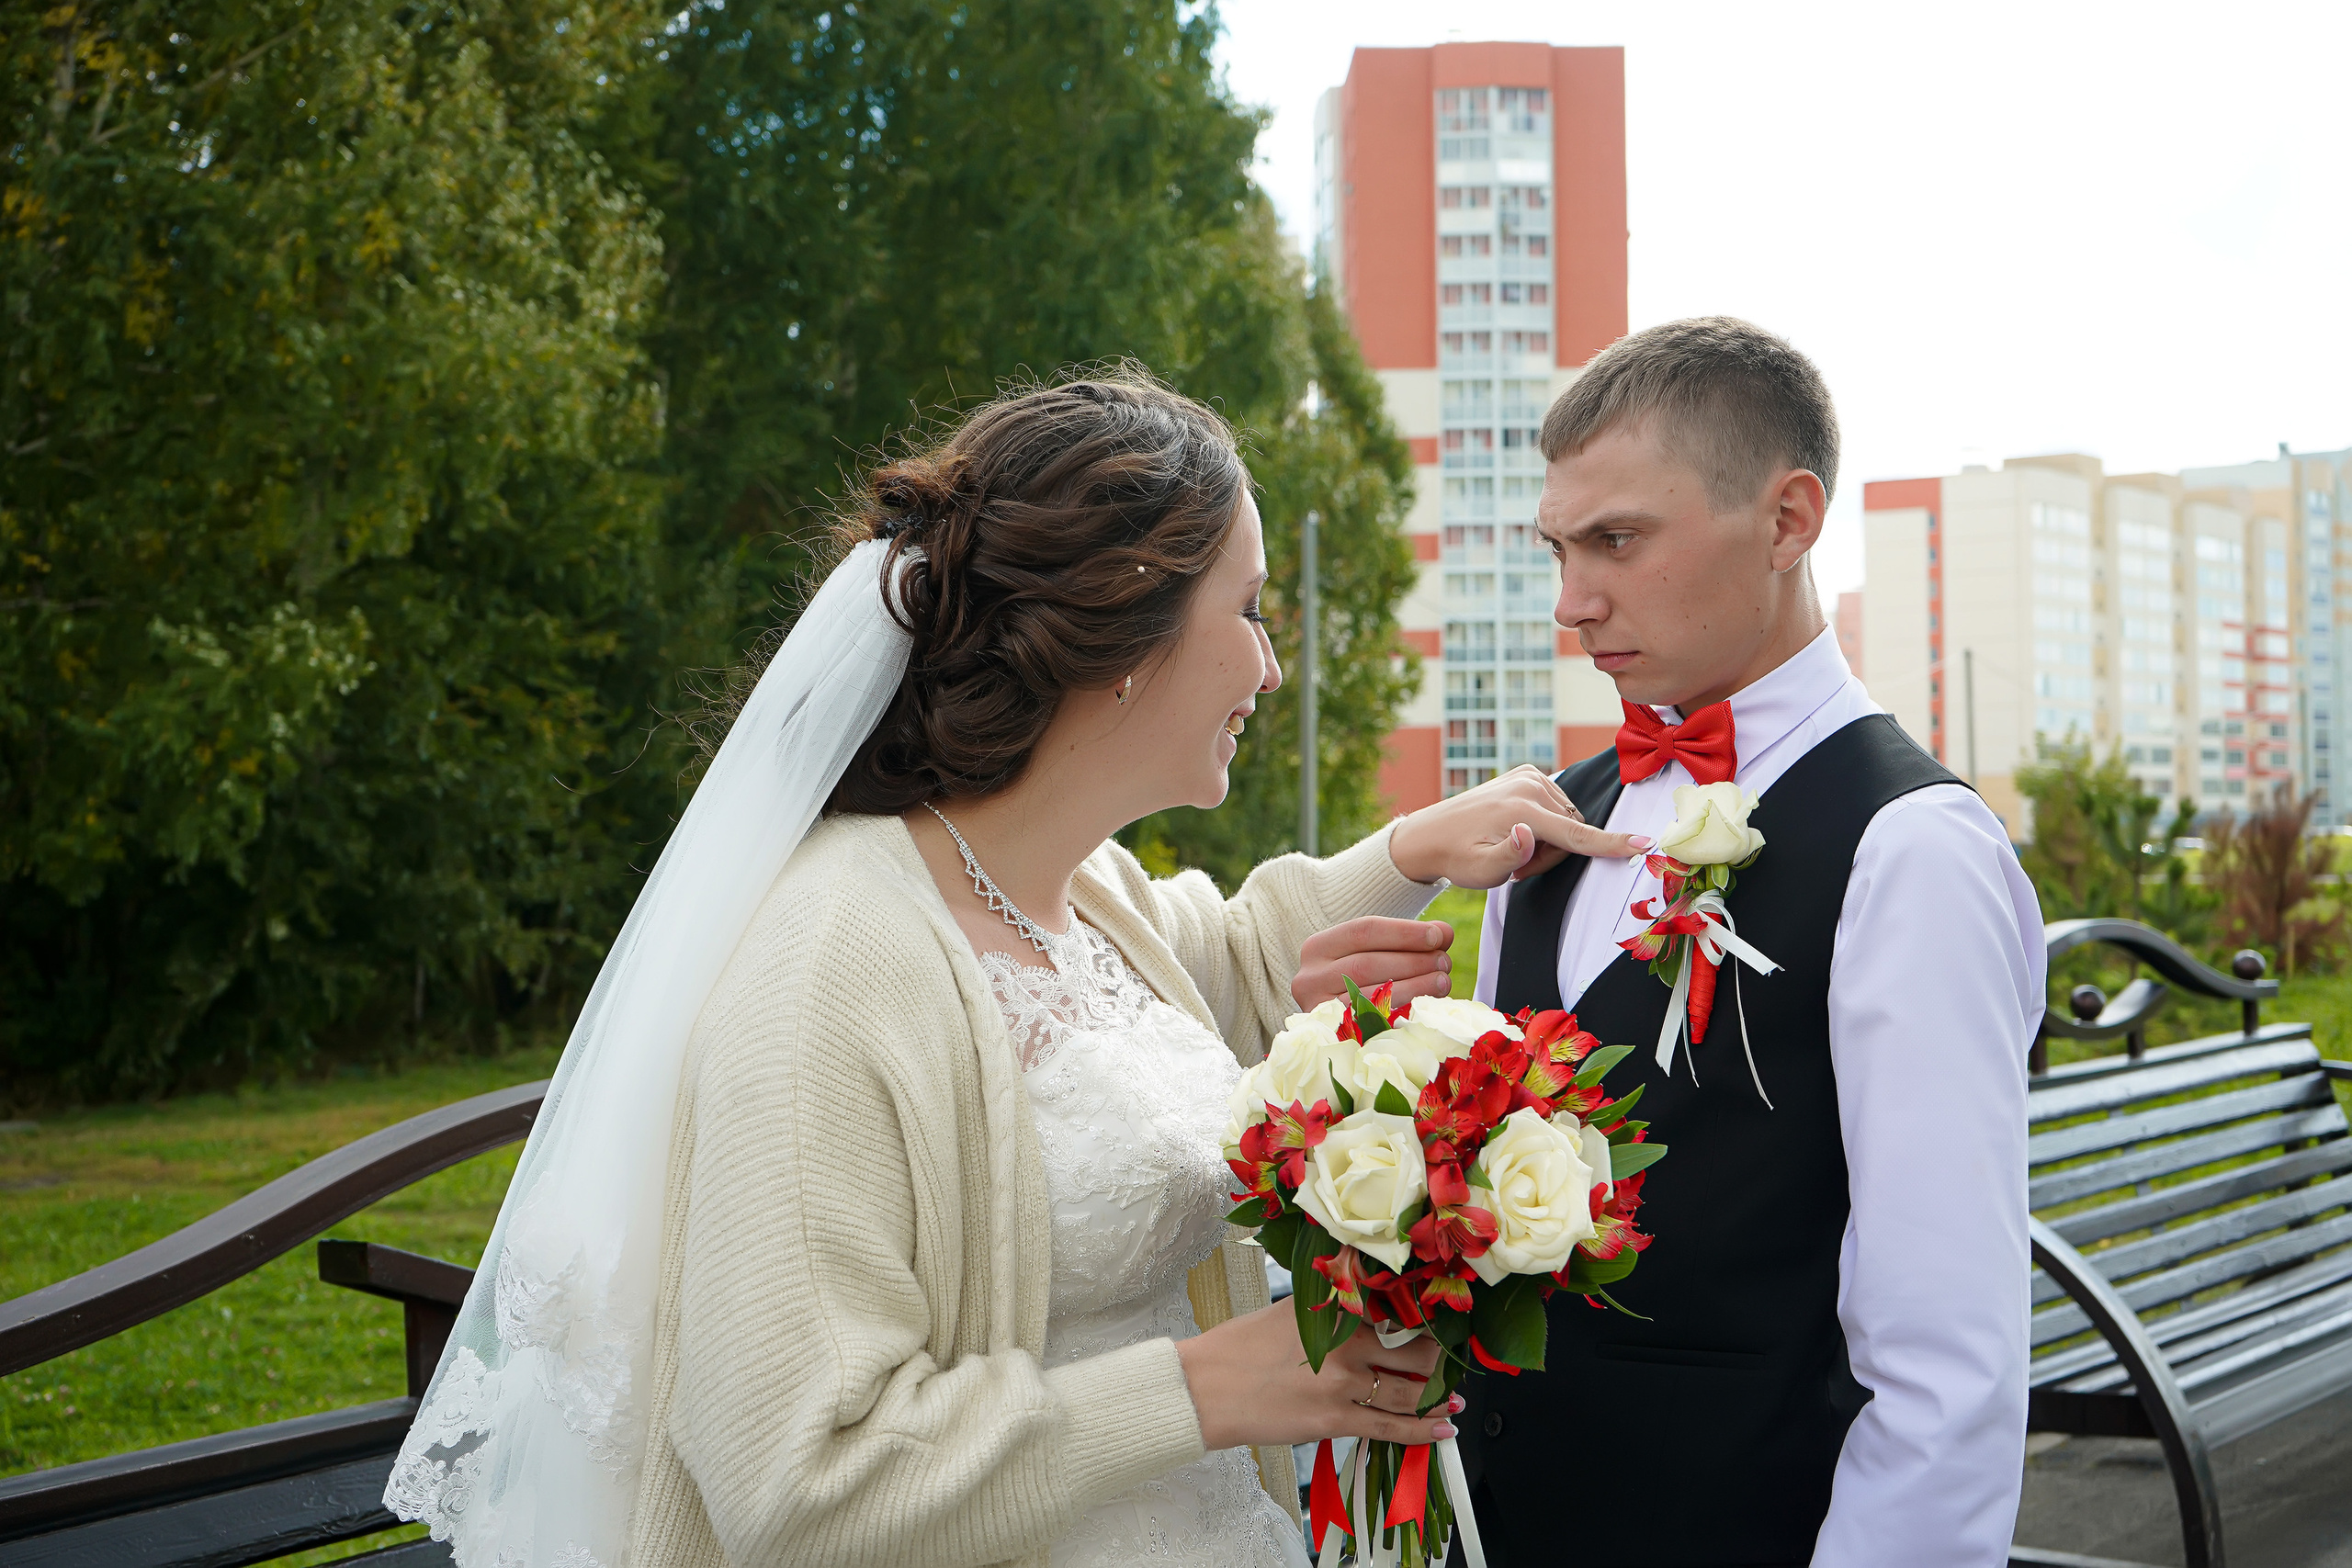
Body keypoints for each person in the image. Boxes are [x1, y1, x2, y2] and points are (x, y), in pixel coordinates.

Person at [384, 366, 1646, 1568]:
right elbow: (793, 1480)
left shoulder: (1083, 889)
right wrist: (1207, 1387)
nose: (1270, 666)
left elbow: (1228, 961)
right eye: (1250, 611)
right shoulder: (830, 965)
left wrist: (1414, 849)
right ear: (1125, 629)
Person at [1453, 318, 2044, 1567]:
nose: (1572, 603)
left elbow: (1947, 1371)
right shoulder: (1550, 829)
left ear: (1788, 521)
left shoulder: (1912, 850)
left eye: (1618, 541)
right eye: (1560, 547)